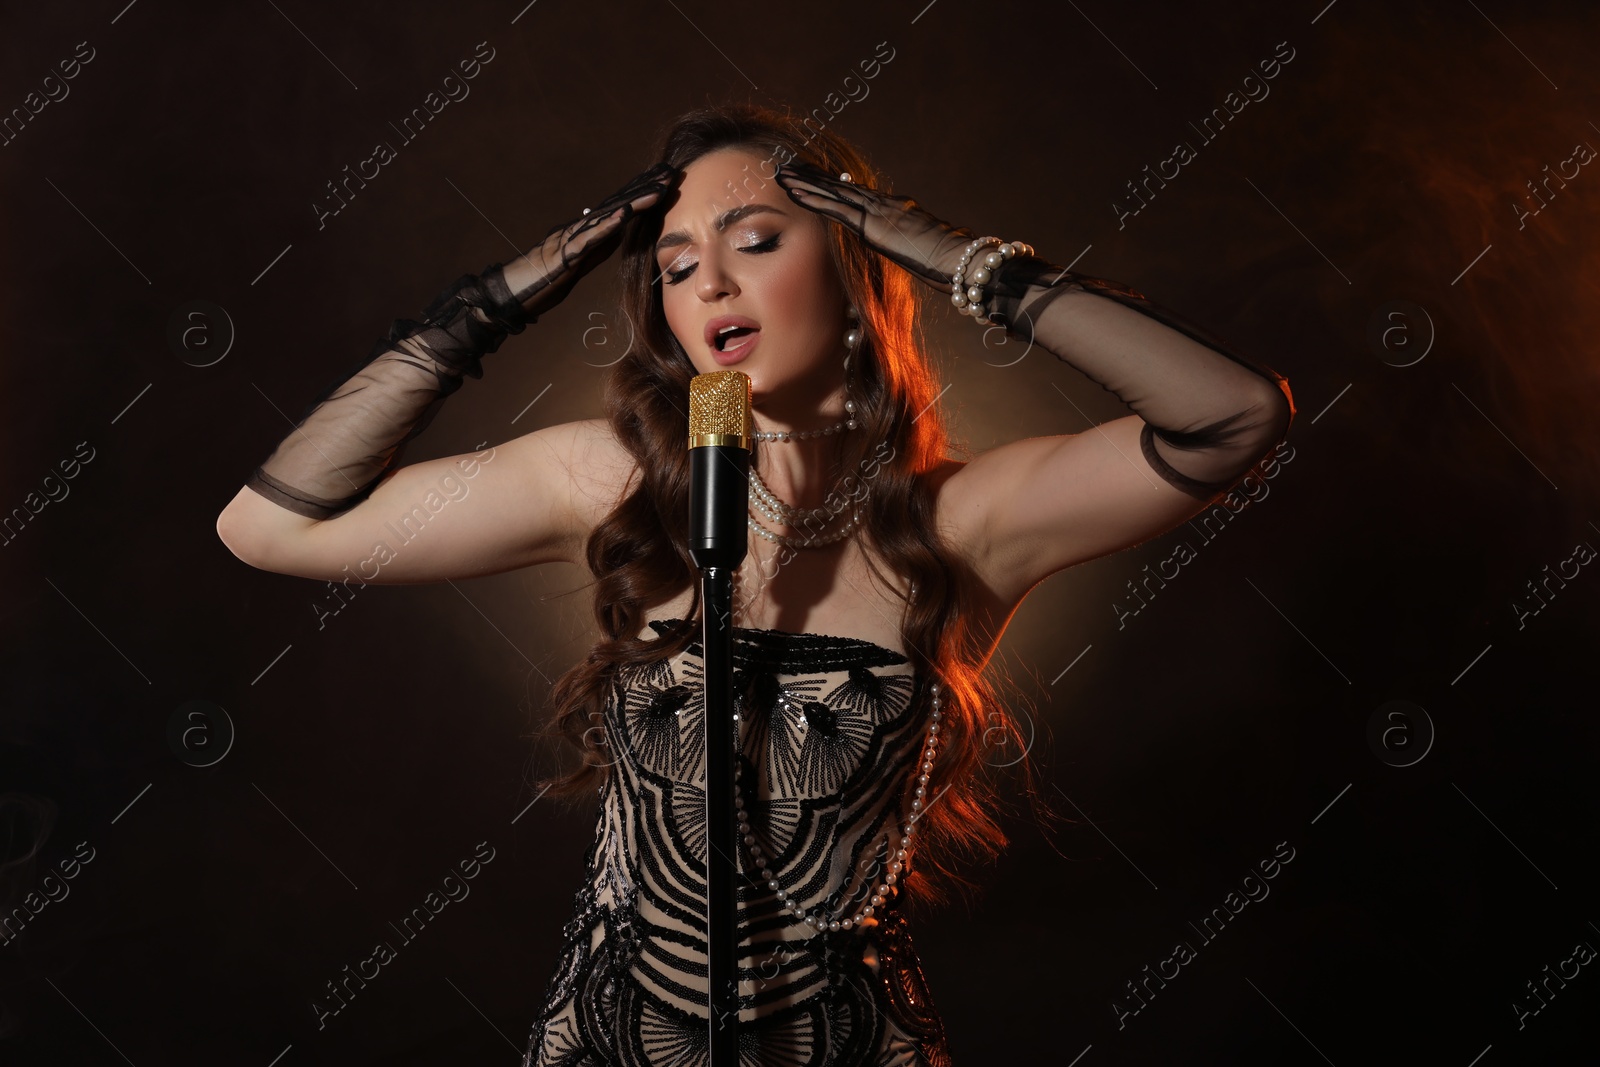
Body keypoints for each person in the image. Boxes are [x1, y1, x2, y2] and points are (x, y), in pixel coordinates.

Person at [215, 103, 1294, 1065]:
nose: (712, 283)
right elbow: (268, 523)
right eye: (676, 265)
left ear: (856, 269)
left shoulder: (964, 522)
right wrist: (500, 298)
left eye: (757, 240)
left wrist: (963, 259)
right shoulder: (609, 482)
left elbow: (1232, 415)